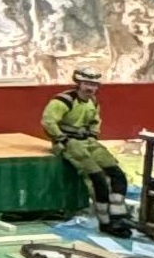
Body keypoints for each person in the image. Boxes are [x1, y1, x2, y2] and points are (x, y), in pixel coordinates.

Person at [43, 67, 127, 220]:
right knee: (97, 177)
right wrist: (63, 139)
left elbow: (95, 121)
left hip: (88, 141)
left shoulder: (92, 102)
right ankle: (104, 219)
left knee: (117, 174)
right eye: (87, 84)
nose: (90, 88)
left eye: (94, 85)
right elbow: (48, 121)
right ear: (79, 84)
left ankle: (118, 213)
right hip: (69, 143)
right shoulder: (64, 101)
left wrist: (93, 136)